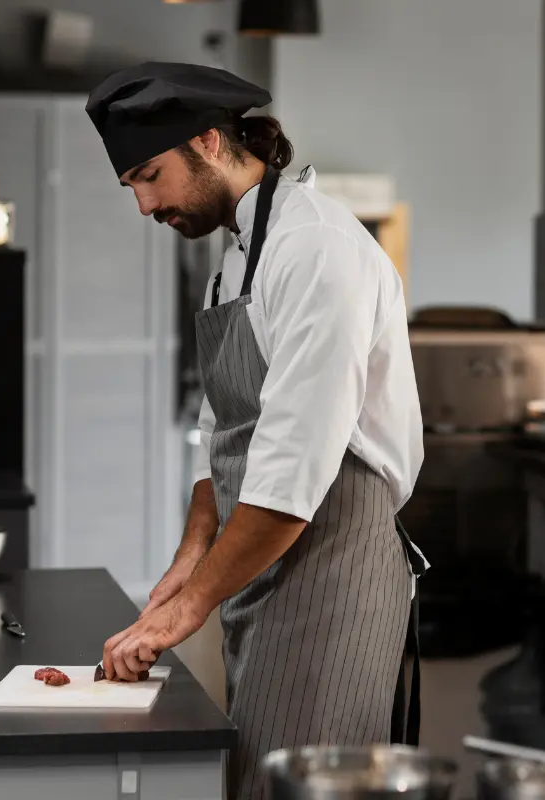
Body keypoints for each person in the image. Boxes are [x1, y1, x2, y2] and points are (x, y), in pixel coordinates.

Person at [84, 62, 428, 800]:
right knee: (261, 778)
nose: (145, 205)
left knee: (296, 786)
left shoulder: (316, 250)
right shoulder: (238, 254)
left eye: (150, 175)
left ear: (209, 142)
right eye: (132, 187)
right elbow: (227, 423)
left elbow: (293, 470)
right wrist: (190, 555)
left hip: (330, 559)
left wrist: (189, 608)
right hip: (265, 562)